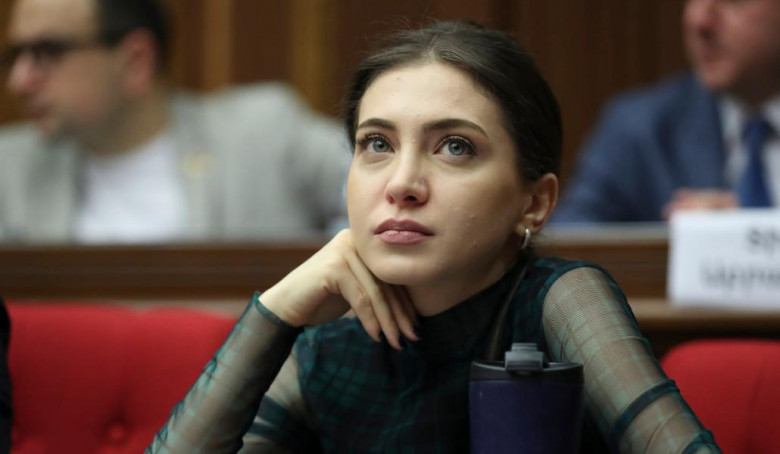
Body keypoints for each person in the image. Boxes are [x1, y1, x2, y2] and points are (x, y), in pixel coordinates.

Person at [147, 21, 721, 453]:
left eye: (455, 147)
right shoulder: (327, 351)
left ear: (535, 203)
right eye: (377, 144)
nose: (402, 184)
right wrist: (277, 311)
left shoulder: (558, 302)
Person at [0, 0, 348, 243]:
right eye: (15, 56)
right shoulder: (9, 168)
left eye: (47, 52)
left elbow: (377, 182)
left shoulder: (262, 132)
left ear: (135, 61)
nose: (19, 81)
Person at [554, 0, 780, 223]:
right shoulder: (640, 128)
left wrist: (737, 234)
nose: (699, 20)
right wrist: (682, 239)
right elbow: (573, 234)